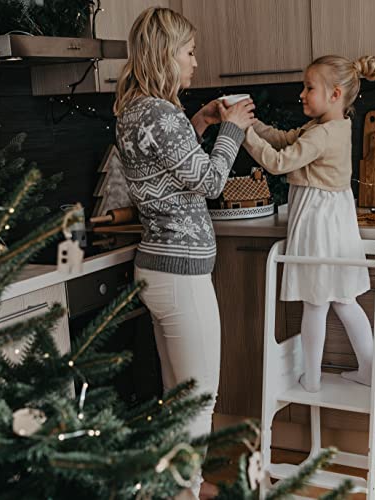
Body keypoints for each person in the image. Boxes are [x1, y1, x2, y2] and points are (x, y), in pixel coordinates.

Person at [113, 7, 255, 498]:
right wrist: (232, 127)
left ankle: (180, 486)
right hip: (181, 276)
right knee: (198, 401)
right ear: (166, 54)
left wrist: (200, 119)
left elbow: (171, 167)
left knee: (176, 399)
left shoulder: (132, 110)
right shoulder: (160, 112)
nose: (195, 63)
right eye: (189, 52)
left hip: (154, 268)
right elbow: (211, 181)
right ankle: (186, 492)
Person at [243, 55, 375, 391]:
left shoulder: (322, 135)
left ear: (335, 94)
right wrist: (253, 124)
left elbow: (277, 162)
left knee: (316, 301)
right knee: (343, 299)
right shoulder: (327, 127)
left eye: (309, 88)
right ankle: (370, 369)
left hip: (319, 221)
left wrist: (243, 133)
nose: (301, 94)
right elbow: (283, 138)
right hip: (333, 220)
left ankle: (313, 378)